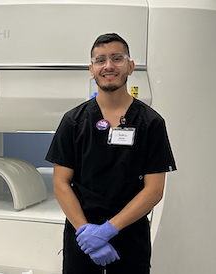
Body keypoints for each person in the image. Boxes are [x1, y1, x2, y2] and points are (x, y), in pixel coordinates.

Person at [45, 33, 176, 273]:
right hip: (81, 235)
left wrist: (107, 230)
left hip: (130, 234)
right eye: (100, 60)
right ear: (91, 69)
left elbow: (154, 190)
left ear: (130, 66)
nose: (108, 66)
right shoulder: (73, 121)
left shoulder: (151, 123)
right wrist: (87, 234)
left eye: (117, 58)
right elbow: (60, 183)